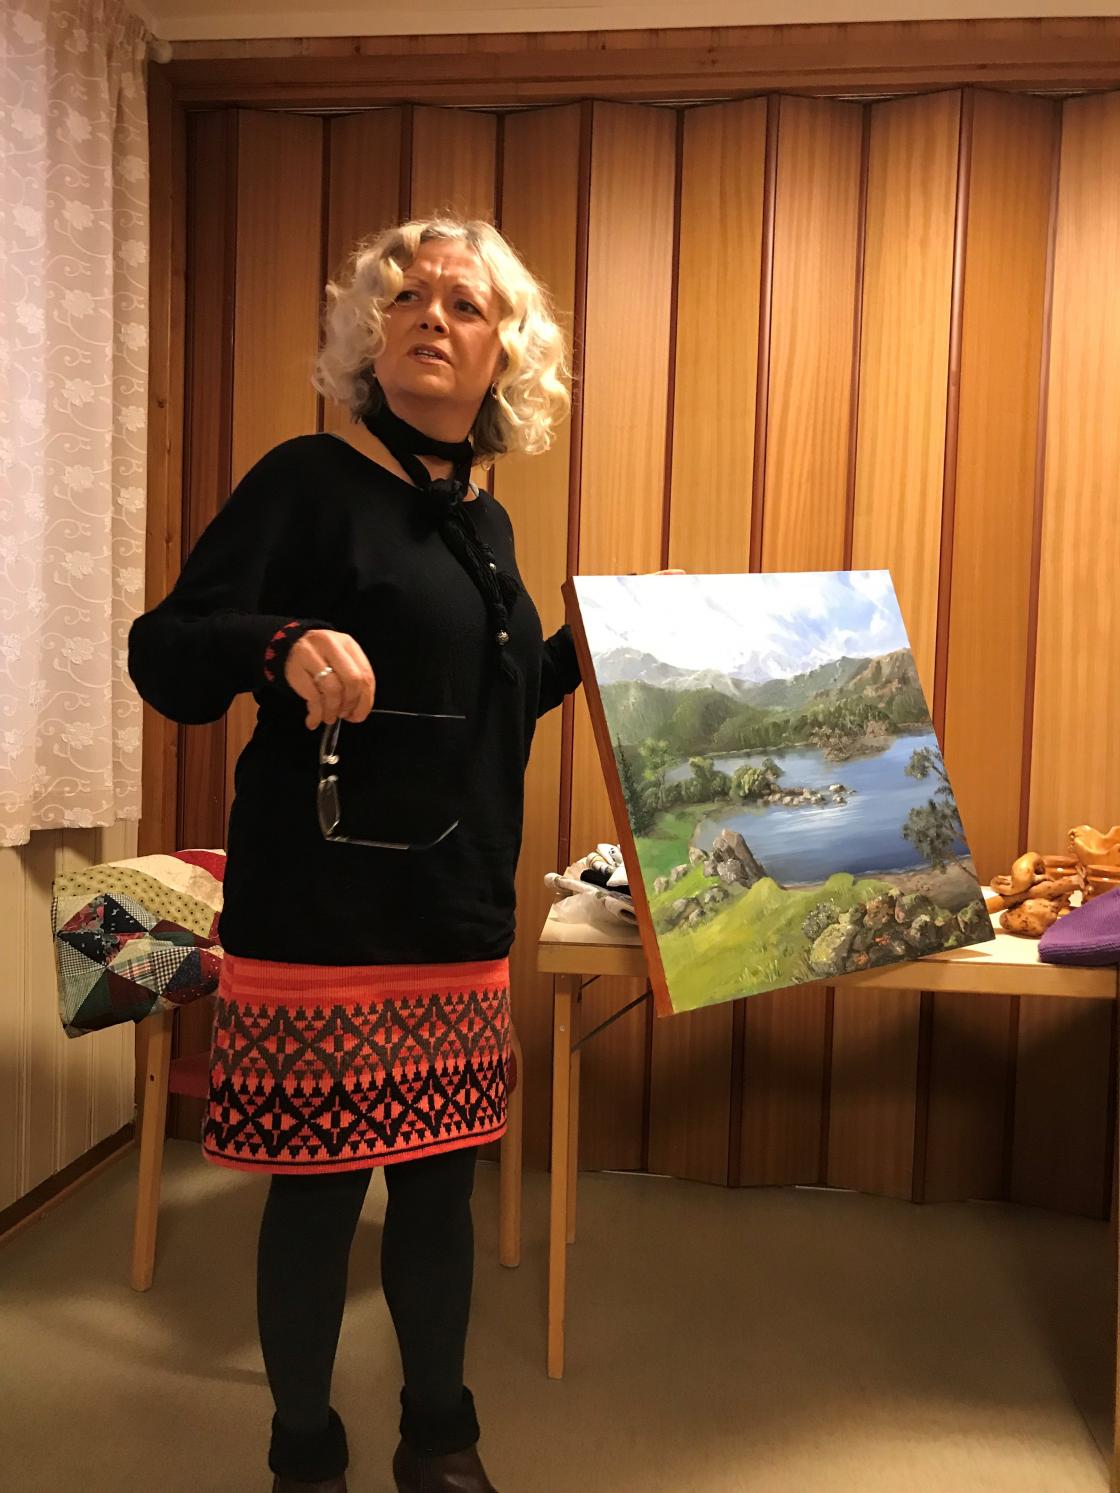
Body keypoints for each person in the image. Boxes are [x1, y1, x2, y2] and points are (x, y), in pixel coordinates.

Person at [128, 215, 580, 1493]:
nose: (432, 314)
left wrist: (592, 652)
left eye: (465, 304)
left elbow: (480, 718)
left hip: (453, 910)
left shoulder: (484, 527)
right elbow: (167, 651)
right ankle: (304, 1455)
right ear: (369, 337)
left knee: (439, 1197)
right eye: (406, 296)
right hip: (322, 915)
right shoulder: (308, 480)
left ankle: (439, 1440)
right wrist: (279, 644)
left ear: (504, 356)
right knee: (319, 1198)